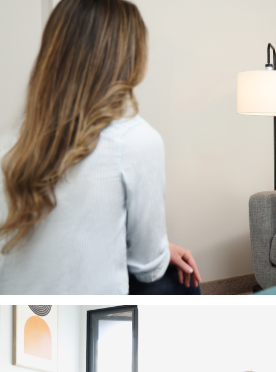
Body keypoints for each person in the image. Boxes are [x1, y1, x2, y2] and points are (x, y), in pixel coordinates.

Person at [0, 0, 201, 295]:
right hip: (88, 305)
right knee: (182, 280)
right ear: (128, 59)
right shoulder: (137, 140)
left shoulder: (11, 140)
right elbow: (147, 265)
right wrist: (161, 252)